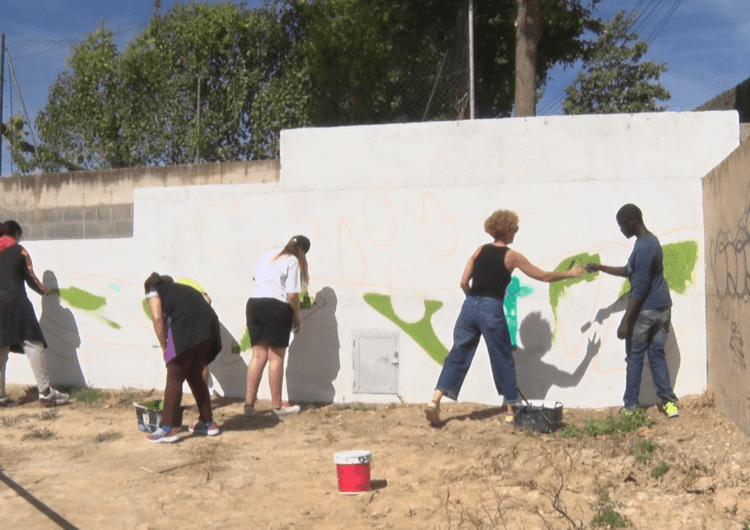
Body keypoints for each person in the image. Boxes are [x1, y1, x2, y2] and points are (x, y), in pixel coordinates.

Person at [425, 210, 584, 426]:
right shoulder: (512, 256)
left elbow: (463, 282)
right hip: (491, 307)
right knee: (502, 358)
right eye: (515, 229)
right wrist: (570, 274)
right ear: (509, 230)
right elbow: (544, 276)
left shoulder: (479, 250)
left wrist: (473, 303)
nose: (516, 233)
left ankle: (435, 401)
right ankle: (511, 410)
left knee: (458, 353)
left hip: (469, 305)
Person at [585, 204, 679, 418]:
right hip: (663, 309)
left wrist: (626, 321)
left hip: (646, 312)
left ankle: (630, 406)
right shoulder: (646, 243)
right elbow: (628, 271)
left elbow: (642, 285)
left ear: (632, 221)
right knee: (656, 355)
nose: (621, 231)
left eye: (622, 226)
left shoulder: (645, 247)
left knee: (635, 358)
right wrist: (600, 268)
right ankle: (669, 404)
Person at [144, 273, 223, 442]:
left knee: (174, 374)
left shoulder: (154, 290)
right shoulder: (184, 290)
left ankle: (167, 429)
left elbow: (157, 318)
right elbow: (206, 303)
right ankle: (208, 423)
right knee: (194, 374)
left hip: (185, 330)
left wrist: (165, 346)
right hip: (209, 332)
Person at [0, 221, 69, 408]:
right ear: (14, 234)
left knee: (2, 348)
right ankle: (46, 393)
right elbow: (31, 278)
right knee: (33, 343)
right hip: (17, 304)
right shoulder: (19, 251)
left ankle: (0, 396)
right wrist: (45, 291)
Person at [244, 235, 310, 418]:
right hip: (277, 306)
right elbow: (293, 296)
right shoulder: (293, 261)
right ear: (302, 251)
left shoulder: (270, 254)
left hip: (254, 304)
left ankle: (249, 405)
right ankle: (277, 407)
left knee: (258, 355)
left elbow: (255, 276)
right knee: (276, 357)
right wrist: (296, 316)